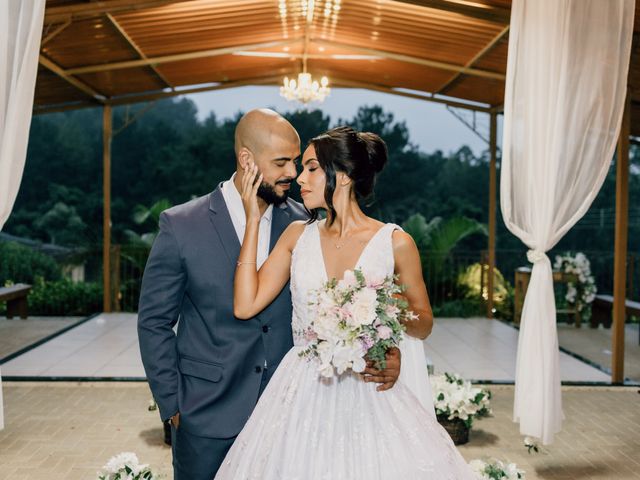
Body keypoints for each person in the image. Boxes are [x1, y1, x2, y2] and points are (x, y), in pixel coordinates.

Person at [137, 110, 401, 480]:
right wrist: (173, 404)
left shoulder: (307, 226)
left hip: (292, 415)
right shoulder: (181, 225)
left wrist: (386, 351)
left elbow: (352, 301)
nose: (292, 174)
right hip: (207, 414)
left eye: (296, 162)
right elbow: (153, 322)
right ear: (247, 160)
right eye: (282, 162)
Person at [216, 126, 476, 479]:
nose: (298, 179)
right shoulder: (297, 236)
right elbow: (245, 305)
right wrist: (251, 219)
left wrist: (379, 310)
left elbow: (424, 322)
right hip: (301, 391)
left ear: (342, 176)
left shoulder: (395, 242)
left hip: (370, 391)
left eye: (310, 168)